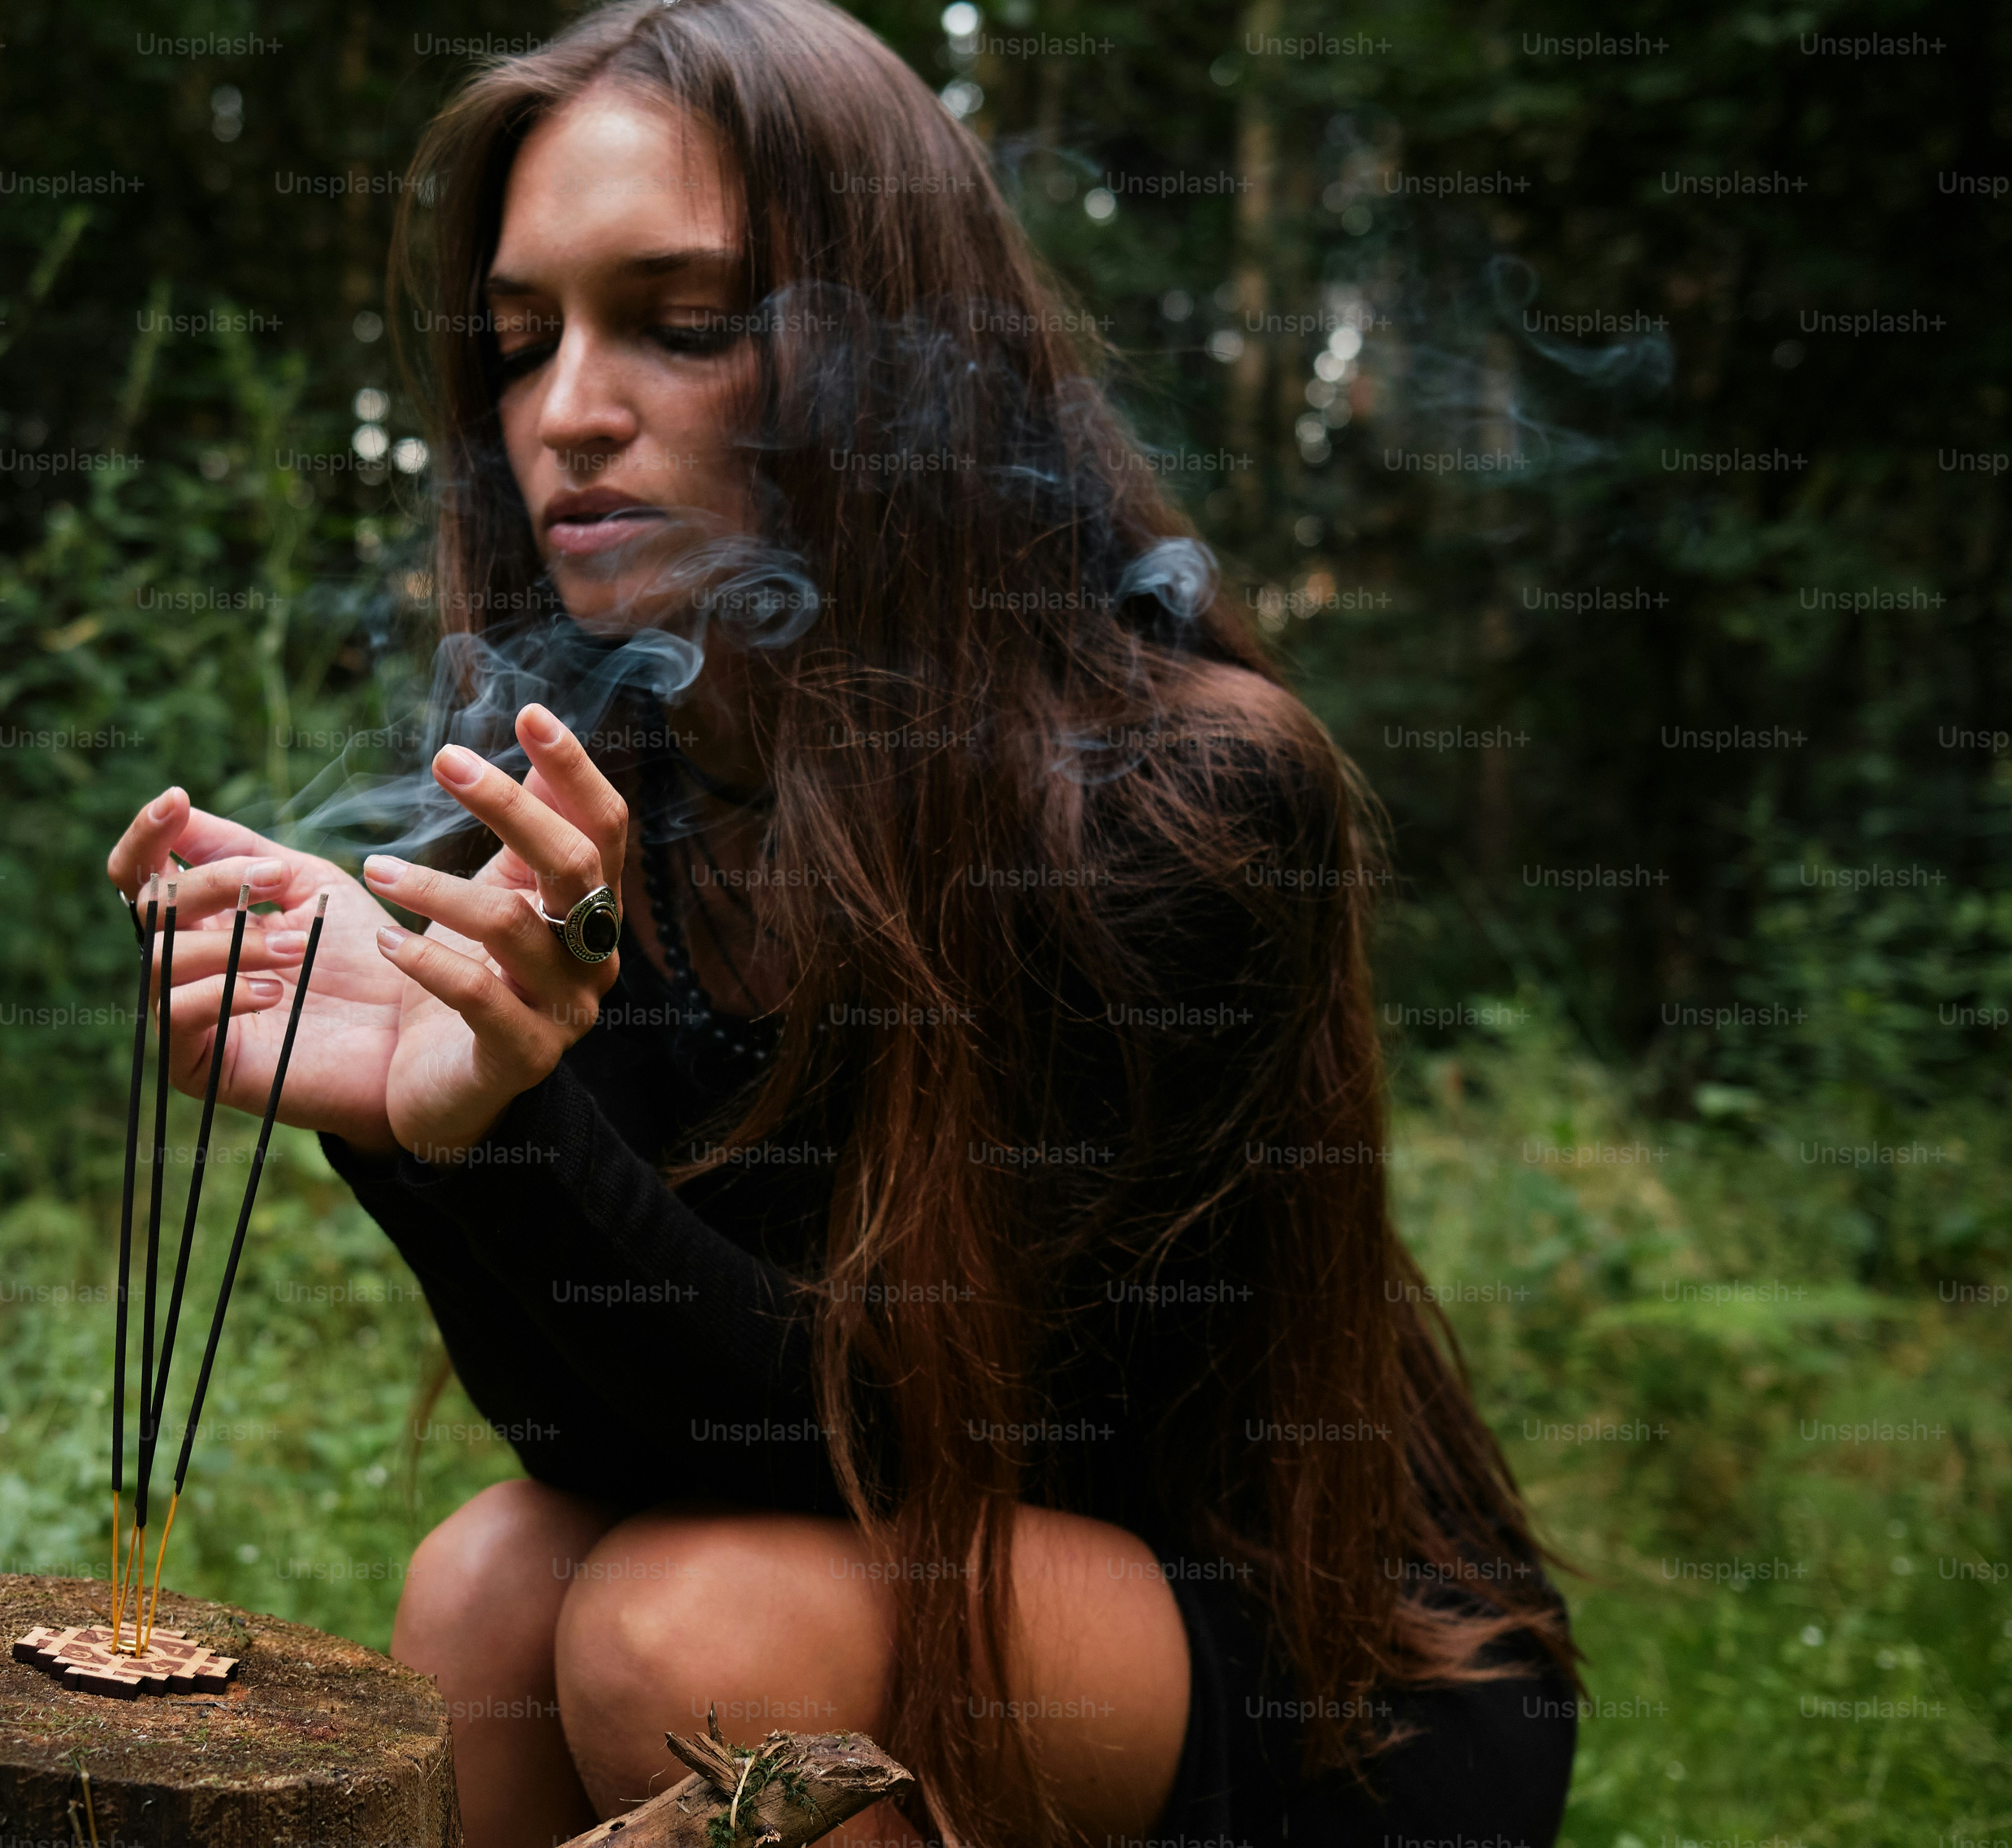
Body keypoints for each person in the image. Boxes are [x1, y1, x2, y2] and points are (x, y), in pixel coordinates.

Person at [105, 0, 1578, 1841]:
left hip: (1321, 1671)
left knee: (685, 1630)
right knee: (486, 1596)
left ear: (898, 355)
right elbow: (626, 1437)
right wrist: (454, 1118)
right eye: (517, 339)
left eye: (686, 324)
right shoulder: (602, 792)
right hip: (874, 1559)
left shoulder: (1171, 803)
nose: (566, 410)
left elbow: (916, 1446)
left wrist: (528, 1139)